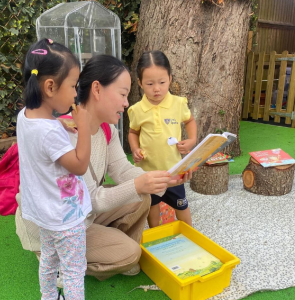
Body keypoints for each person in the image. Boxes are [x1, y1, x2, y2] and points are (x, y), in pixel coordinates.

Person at [15, 54, 193, 286]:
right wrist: (140, 184)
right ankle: (59, 260)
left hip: (81, 214)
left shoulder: (106, 129)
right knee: (130, 253)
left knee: (141, 198)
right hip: (58, 224)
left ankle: (105, 245)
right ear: (97, 90)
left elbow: (122, 169)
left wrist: (167, 179)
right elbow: (88, 198)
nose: (126, 103)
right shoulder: (64, 134)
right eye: (122, 94)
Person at [17, 38, 92, 299]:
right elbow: (80, 165)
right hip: (66, 218)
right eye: (73, 86)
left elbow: (43, 135)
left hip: (44, 213)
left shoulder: (25, 116)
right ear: (50, 86)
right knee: (73, 270)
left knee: (48, 260)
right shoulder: (50, 133)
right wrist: (84, 126)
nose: (75, 93)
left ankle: (48, 297)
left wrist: (60, 124)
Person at [128, 50, 197, 228]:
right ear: (140, 83)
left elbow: (189, 120)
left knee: (182, 205)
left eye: (162, 82)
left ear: (170, 78)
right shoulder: (137, 110)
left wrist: (192, 140)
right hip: (148, 174)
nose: (156, 88)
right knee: (152, 207)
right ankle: (156, 236)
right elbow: (133, 132)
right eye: (150, 83)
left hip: (173, 172)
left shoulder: (178, 103)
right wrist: (135, 149)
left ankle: (190, 233)